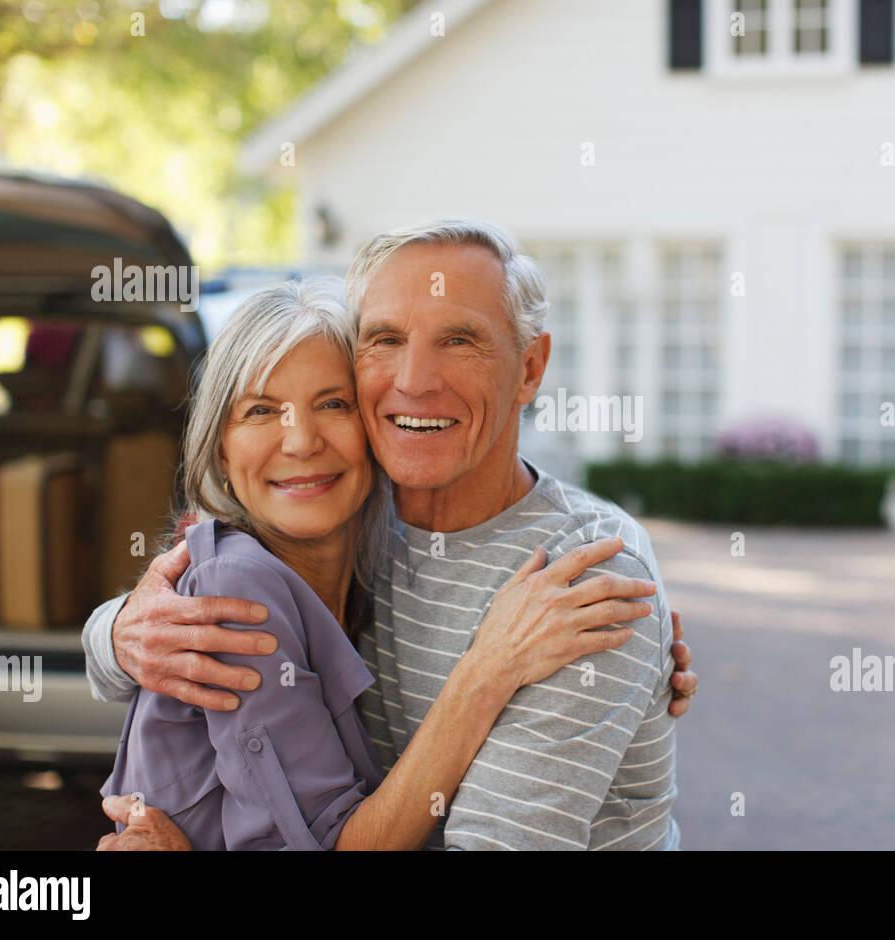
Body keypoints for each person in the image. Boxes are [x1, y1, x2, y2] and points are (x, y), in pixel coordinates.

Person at [87, 219, 697, 850]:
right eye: (386, 339)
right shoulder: (346, 527)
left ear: (530, 367)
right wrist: (119, 631)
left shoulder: (579, 582)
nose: (415, 380)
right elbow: (146, 658)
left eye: (459, 339)